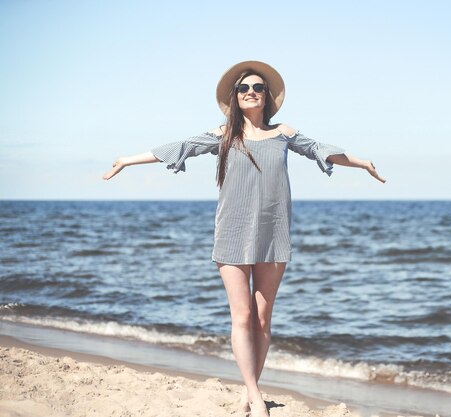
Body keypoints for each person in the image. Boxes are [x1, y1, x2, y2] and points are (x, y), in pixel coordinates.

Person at [102, 60, 385, 416]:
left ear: (267, 96)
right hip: (232, 232)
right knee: (242, 315)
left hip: (274, 231)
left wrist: (361, 162)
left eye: (257, 88)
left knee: (263, 319)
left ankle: (249, 389)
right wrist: (126, 160)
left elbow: (321, 149)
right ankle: (254, 393)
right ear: (236, 97)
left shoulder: (284, 133)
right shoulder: (224, 134)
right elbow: (180, 146)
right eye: (244, 88)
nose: (251, 92)